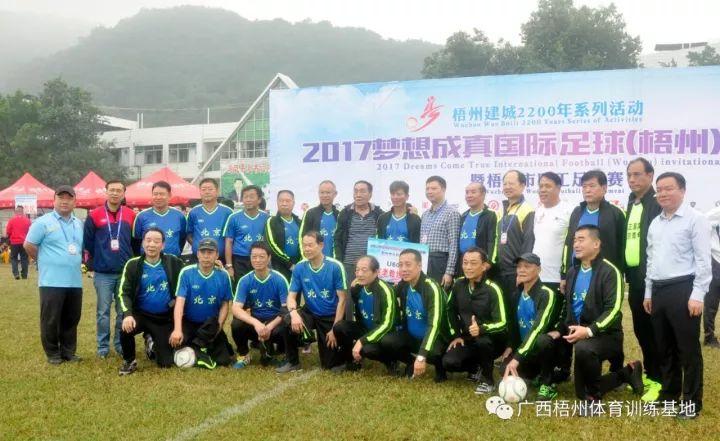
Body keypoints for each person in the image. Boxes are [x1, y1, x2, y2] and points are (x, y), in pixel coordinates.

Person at [644, 172, 711, 419]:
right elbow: (651, 260)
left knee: (687, 350)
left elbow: (703, 261)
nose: (662, 193)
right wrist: (649, 291)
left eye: (668, 188)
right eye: (659, 189)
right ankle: (669, 394)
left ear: (682, 190)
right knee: (664, 347)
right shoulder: (656, 223)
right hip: (658, 290)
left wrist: (698, 294)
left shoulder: (696, 219)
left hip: (684, 289)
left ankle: (691, 402)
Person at [561, 225, 643, 407]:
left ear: (596, 244)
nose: (576, 244)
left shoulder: (610, 271)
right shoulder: (573, 272)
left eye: (581, 239)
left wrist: (589, 331)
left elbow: (613, 310)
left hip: (607, 335)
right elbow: (569, 307)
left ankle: (594, 397)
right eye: (574, 240)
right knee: (580, 391)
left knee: (584, 350)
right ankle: (627, 373)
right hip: (581, 336)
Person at [24, 186, 84, 364]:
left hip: (74, 281)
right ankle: (52, 353)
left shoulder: (78, 223)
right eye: (61, 197)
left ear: (75, 202)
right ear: (54, 200)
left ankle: (68, 352)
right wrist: (43, 260)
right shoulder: (42, 222)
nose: (65, 201)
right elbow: (29, 245)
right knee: (50, 319)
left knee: (71, 318)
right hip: (51, 281)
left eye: (69, 198)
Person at [276, 231, 347, 373]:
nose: (306, 249)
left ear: (321, 245)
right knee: (287, 318)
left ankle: (340, 353)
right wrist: (294, 314)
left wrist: (334, 329)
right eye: (304, 245)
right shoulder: (300, 267)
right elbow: (291, 297)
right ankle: (292, 362)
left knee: (329, 366)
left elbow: (342, 300)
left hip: (330, 315)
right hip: (311, 311)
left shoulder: (335, 266)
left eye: (310, 245)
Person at [117, 227, 184, 375]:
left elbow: (190, 272)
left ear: (163, 245)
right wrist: (127, 314)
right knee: (125, 328)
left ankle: (150, 341)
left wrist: (215, 265)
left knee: (165, 363)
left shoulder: (173, 262)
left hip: (163, 318)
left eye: (156, 241)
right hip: (141, 314)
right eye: (148, 240)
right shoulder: (133, 264)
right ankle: (129, 360)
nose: (152, 244)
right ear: (142, 243)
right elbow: (123, 292)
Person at [624, 158, 663, 401]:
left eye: (637, 174)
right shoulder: (632, 202)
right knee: (641, 329)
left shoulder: (657, 203)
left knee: (655, 330)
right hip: (635, 279)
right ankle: (651, 372)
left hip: (653, 279)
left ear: (650, 175)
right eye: (629, 175)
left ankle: (661, 379)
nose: (632, 179)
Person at [83, 179, 136, 359]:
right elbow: (88, 242)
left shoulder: (130, 215)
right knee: (103, 312)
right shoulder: (94, 215)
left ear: (123, 193)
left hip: (124, 272)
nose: (115, 193)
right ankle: (103, 346)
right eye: (111, 190)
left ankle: (120, 343)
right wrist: (95, 261)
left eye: (118, 190)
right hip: (103, 273)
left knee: (123, 311)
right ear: (106, 192)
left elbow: (135, 242)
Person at [378, 249, 450, 381]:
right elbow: (387, 295)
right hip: (412, 336)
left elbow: (434, 324)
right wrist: (363, 284)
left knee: (434, 353)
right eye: (400, 265)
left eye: (408, 264)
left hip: (434, 338)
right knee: (387, 341)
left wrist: (422, 356)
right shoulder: (404, 283)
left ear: (419, 266)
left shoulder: (431, 287)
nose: (403, 269)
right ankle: (411, 363)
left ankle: (440, 368)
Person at [502, 253, 566, 401]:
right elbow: (513, 325)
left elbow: (538, 328)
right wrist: (511, 346)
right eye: (519, 267)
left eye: (527, 266)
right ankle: (537, 375)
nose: (522, 270)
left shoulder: (546, 294)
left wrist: (517, 358)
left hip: (544, 350)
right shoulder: (516, 294)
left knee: (543, 340)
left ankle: (547, 384)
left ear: (538, 269)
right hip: (526, 350)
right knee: (504, 369)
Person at [442, 247, 507, 394]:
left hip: (492, 340)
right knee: (449, 362)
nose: (468, 267)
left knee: (483, 341)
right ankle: (475, 367)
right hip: (468, 338)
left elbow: (503, 322)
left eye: (473, 263)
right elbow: (449, 310)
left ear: (484, 266)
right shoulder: (458, 284)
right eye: (465, 263)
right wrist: (456, 335)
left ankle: (488, 380)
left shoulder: (493, 289)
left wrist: (482, 329)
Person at [170, 238, 234, 369]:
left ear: (217, 255)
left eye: (210, 252)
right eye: (203, 252)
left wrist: (219, 327)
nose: (206, 256)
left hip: (209, 325)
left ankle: (199, 350)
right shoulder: (186, 272)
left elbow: (225, 304)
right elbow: (179, 303)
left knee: (224, 360)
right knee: (174, 346)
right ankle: (200, 350)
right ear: (197, 254)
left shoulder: (223, 275)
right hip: (189, 322)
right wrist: (177, 329)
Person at [333, 255, 398, 372]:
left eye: (364, 270)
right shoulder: (357, 288)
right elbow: (358, 314)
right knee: (339, 327)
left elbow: (387, 325)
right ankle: (351, 361)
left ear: (376, 272)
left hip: (383, 333)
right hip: (366, 328)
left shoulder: (386, 290)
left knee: (367, 349)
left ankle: (390, 360)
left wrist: (361, 341)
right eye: (357, 270)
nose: (359, 274)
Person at [562, 170, 625, 287]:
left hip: (604, 276)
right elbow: (568, 244)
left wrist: (619, 274)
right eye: (584, 186)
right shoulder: (577, 212)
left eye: (592, 186)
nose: (587, 190)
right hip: (577, 272)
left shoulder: (615, 213)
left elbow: (622, 247)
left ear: (604, 188)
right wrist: (564, 275)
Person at [231, 241, 289, 368]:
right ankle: (244, 354)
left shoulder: (279, 279)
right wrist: (256, 323)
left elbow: (286, 309)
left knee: (289, 322)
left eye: (262, 256)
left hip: (275, 323)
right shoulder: (245, 280)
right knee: (237, 323)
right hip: (256, 323)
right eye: (254, 256)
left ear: (269, 258)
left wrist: (269, 327)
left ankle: (285, 352)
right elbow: (235, 308)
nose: (257, 260)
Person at [496, 170, 535, 357]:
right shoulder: (502, 210)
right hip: (501, 271)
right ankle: (507, 347)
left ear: (523, 185)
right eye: (505, 183)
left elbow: (528, 243)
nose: (507, 187)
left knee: (515, 312)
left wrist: (522, 271)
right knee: (505, 311)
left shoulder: (527, 210)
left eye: (512, 183)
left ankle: (518, 351)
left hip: (515, 272)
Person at [335, 180, 384, 287]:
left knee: (368, 295)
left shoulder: (379, 214)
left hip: (370, 266)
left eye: (362, 191)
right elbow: (337, 239)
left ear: (370, 194)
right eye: (356, 191)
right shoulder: (345, 213)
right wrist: (339, 262)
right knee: (349, 295)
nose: (358, 195)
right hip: (349, 265)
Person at [532, 172, 572, 292]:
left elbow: (571, 245)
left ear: (558, 188)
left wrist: (565, 275)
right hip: (536, 276)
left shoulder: (569, 211)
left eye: (548, 186)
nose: (543, 190)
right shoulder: (537, 211)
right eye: (541, 186)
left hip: (557, 278)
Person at [419, 176, 460, 288]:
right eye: (427, 189)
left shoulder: (452, 213)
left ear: (443, 189)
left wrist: (449, 272)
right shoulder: (425, 214)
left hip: (440, 262)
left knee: (439, 294)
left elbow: (454, 244)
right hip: (424, 261)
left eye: (433, 188)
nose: (429, 191)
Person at [223, 185, 269, 280]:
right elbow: (229, 242)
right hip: (240, 260)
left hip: (260, 259)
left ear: (259, 199)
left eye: (251, 197)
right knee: (240, 286)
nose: (248, 200)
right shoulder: (234, 218)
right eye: (245, 197)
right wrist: (229, 266)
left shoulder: (267, 218)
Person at [133, 181, 187, 257]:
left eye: (162, 194)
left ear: (169, 195)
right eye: (155, 194)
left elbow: (182, 238)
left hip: (172, 260)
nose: (158, 197)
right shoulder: (141, 216)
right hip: (148, 260)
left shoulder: (179, 216)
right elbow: (136, 241)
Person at [186, 178, 233, 264]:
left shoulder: (228, 212)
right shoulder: (193, 212)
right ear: (200, 192)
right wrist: (198, 245)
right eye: (203, 189)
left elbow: (231, 237)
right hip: (198, 259)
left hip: (221, 259)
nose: (207, 192)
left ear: (217, 191)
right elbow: (189, 234)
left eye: (210, 189)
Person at [457, 182, 497, 274]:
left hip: (481, 265)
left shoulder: (491, 215)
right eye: (467, 192)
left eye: (473, 192)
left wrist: (489, 261)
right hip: (463, 264)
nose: (469, 195)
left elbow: (493, 240)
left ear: (483, 194)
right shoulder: (463, 216)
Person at [265, 190, 302, 280]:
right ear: (277, 202)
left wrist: (300, 262)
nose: (284, 204)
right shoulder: (271, 221)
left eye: (287, 201)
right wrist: (289, 264)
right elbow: (271, 245)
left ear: (293, 203)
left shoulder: (299, 222)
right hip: (279, 266)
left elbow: (304, 243)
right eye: (281, 201)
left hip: (299, 266)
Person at [300, 180, 339, 258]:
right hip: (315, 260)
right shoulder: (310, 213)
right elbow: (302, 237)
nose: (324, 195)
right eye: (322, 192)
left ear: (335, 194)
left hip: (335, 261)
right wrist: (306, 258)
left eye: (328, 192)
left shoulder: (339, 214)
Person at [704, 204, 720, 348]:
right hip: (716, 261)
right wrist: (712, 246)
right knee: (712, 301)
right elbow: (704, 223)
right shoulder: (716, 212)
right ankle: (709, 336)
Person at [6, 205, 31, 280]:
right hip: (24, 242)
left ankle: (16, 274)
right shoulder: (28, 220)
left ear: (16, 211)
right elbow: (30, 232)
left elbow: (8, 231)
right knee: (24, 258)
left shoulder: (11, 220)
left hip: (14, 242)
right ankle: (24, 275)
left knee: (14, 258)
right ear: (23, 211)